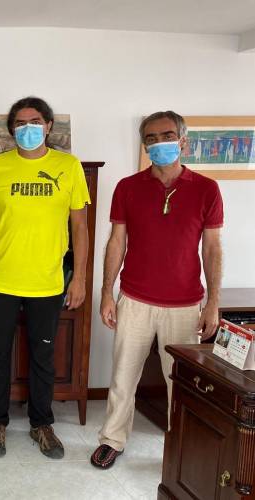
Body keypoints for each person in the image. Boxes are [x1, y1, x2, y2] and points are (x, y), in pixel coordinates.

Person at [90, 111, 223, 469]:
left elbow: (212, 248)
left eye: (166, 136)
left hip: (185, 305)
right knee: (122, 377)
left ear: (183, 141)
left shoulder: (206, 189)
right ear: (144, 145)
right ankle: (112, 440)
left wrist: (213, 302)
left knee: (180, 383)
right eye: (150, 138)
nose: (158, 143)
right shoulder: (128, 187)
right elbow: (116, 241)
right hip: (134, 299)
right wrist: (107, 292)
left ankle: (181, 448)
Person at [0, 96, 90, 460]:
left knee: (43, 356)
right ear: (12, 130)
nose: (28, 128)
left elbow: (80, 226)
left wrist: (80, 278)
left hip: (47, 281)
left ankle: (42, 424)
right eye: (20, 123)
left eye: (35, 121)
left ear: (48, 126)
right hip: (1, 278)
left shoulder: (68, 167)